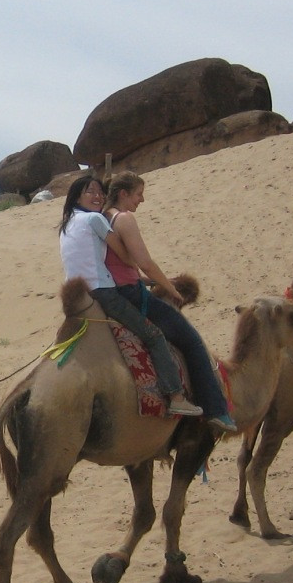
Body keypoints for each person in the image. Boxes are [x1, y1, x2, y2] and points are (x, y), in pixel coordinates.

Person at [57, 173, 202, 417]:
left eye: (100, 192)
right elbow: (127, 257)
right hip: (103, 292)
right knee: (154, 336)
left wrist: (147, 280)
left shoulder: (67, 224)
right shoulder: (95, 219)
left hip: (80, 295)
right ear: (76, 197)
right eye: (90, 192)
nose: (97, 196)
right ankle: (176, 396)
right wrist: (160, 281)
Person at [104, 173, 237, 434]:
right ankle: (215, 409)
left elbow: (118, 263)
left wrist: (146, 281)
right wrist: (169, 288)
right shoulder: (124, 218)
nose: (142, 199)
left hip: (117, 289)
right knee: (191, 340)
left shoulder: (103, 217)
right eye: (138, 194)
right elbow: (145, 261)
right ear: (123, 194)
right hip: (130, 294)